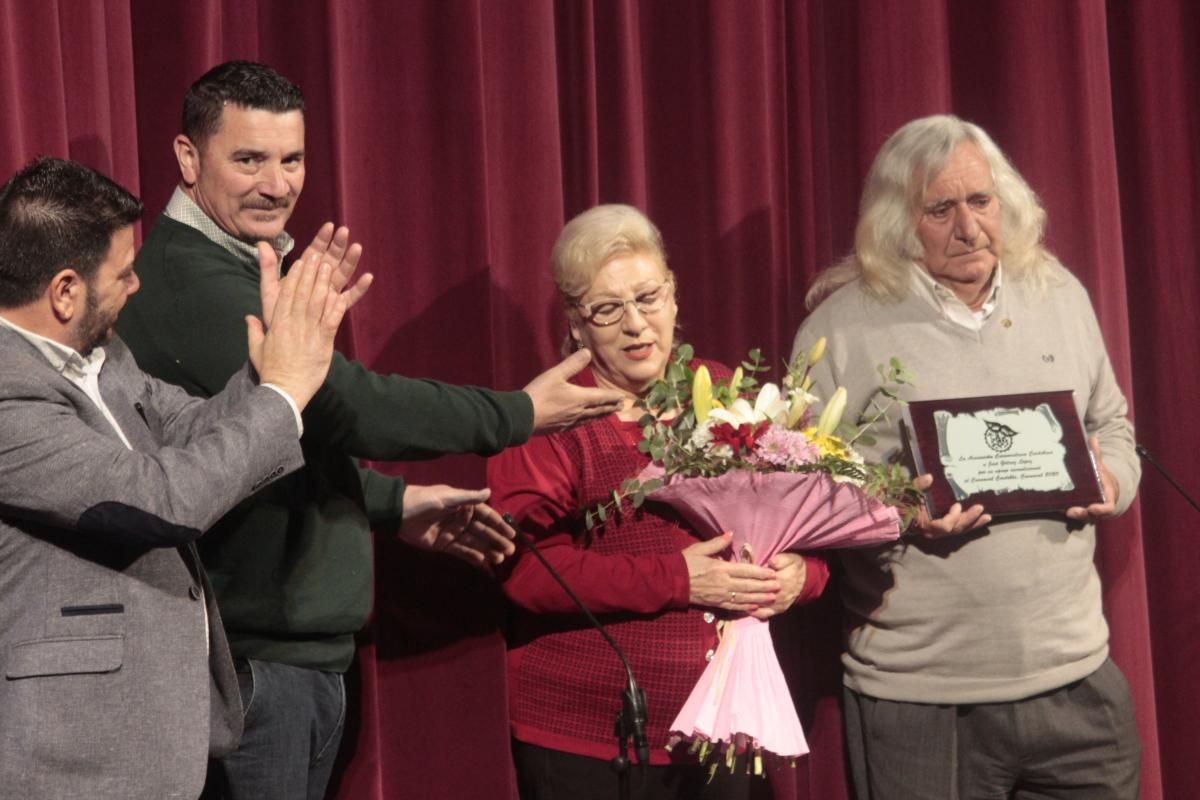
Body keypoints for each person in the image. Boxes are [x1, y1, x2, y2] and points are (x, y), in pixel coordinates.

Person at [116, 60, 625, 799]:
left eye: (291, 159)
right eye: (249, 159)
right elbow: (346, 407)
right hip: (250, 672)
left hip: (293, 663)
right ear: (188, 159)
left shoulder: (244, 262)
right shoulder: (194, 281)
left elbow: (284, 441)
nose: (277, 183)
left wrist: (391, 504)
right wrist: (518, 413)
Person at [792, 115, 1141, 799]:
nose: (969, 227)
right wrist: (898, 514)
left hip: (1075, 680)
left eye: (981, 201)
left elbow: (1115, 424)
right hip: (923, 695)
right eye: (940, 209)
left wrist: (1112, 480)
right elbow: (802, 494)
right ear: (899, 223)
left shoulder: (1060, 296)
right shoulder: (837, 330)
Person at [0, 156, 353, 797]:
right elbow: (156, 500)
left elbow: (190, 427)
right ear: (64, 292)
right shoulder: (5, 398)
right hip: (72, 756)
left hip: (152, 736)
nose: (136, 287)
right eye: (123, 274)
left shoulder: (104, 356)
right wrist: (282, 395)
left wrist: (271, 372)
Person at [488, 204, 831, 800]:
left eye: (647, 298)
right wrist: (677, 579)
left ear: (673, 299)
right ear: (576, 323)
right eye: (607, 309)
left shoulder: (725, 391)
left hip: (723, 729)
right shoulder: (548, 419)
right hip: (593, 740)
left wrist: (804, 574)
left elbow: (801, 521)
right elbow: (525, 573)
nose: (635, 324)